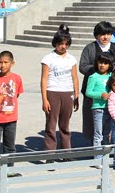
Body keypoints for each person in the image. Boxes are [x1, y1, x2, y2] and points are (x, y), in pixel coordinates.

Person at [80, 21, 115, 140]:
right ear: (96, 35)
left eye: (108, 34)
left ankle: (109, 146)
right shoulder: (89, 48)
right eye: (102, 34)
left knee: (113, 118)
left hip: (112, 92)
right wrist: (98, 68)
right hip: (94, 92)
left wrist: (113, 68)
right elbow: (82, 66)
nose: (105, 37)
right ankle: (94, 146)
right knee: (92, 120)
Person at [40, 26, 80, 154]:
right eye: (60, 44)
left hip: (68, 93)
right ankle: (49, 153)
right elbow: (44, 79)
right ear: (55, 43)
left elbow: (75, 78)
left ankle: (66, 153)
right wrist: (45, 99)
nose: (63, 46)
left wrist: (76, 95)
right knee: (51, 125)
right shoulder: (48, 58)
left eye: (66, 44)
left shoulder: (71, 59)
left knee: (65, 125)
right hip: (53, 92)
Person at [85, 53, 113, 159]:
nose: (102, 65)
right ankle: (97, 158)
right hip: (98, 108)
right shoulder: (93, 77)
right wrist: (100, 95)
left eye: (105, 63)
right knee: (98, 134)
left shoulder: (111, 76)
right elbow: (88, 92)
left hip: (110, 108)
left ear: (110, 65)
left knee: (107, 134)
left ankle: (105, 157)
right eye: (100, 62)